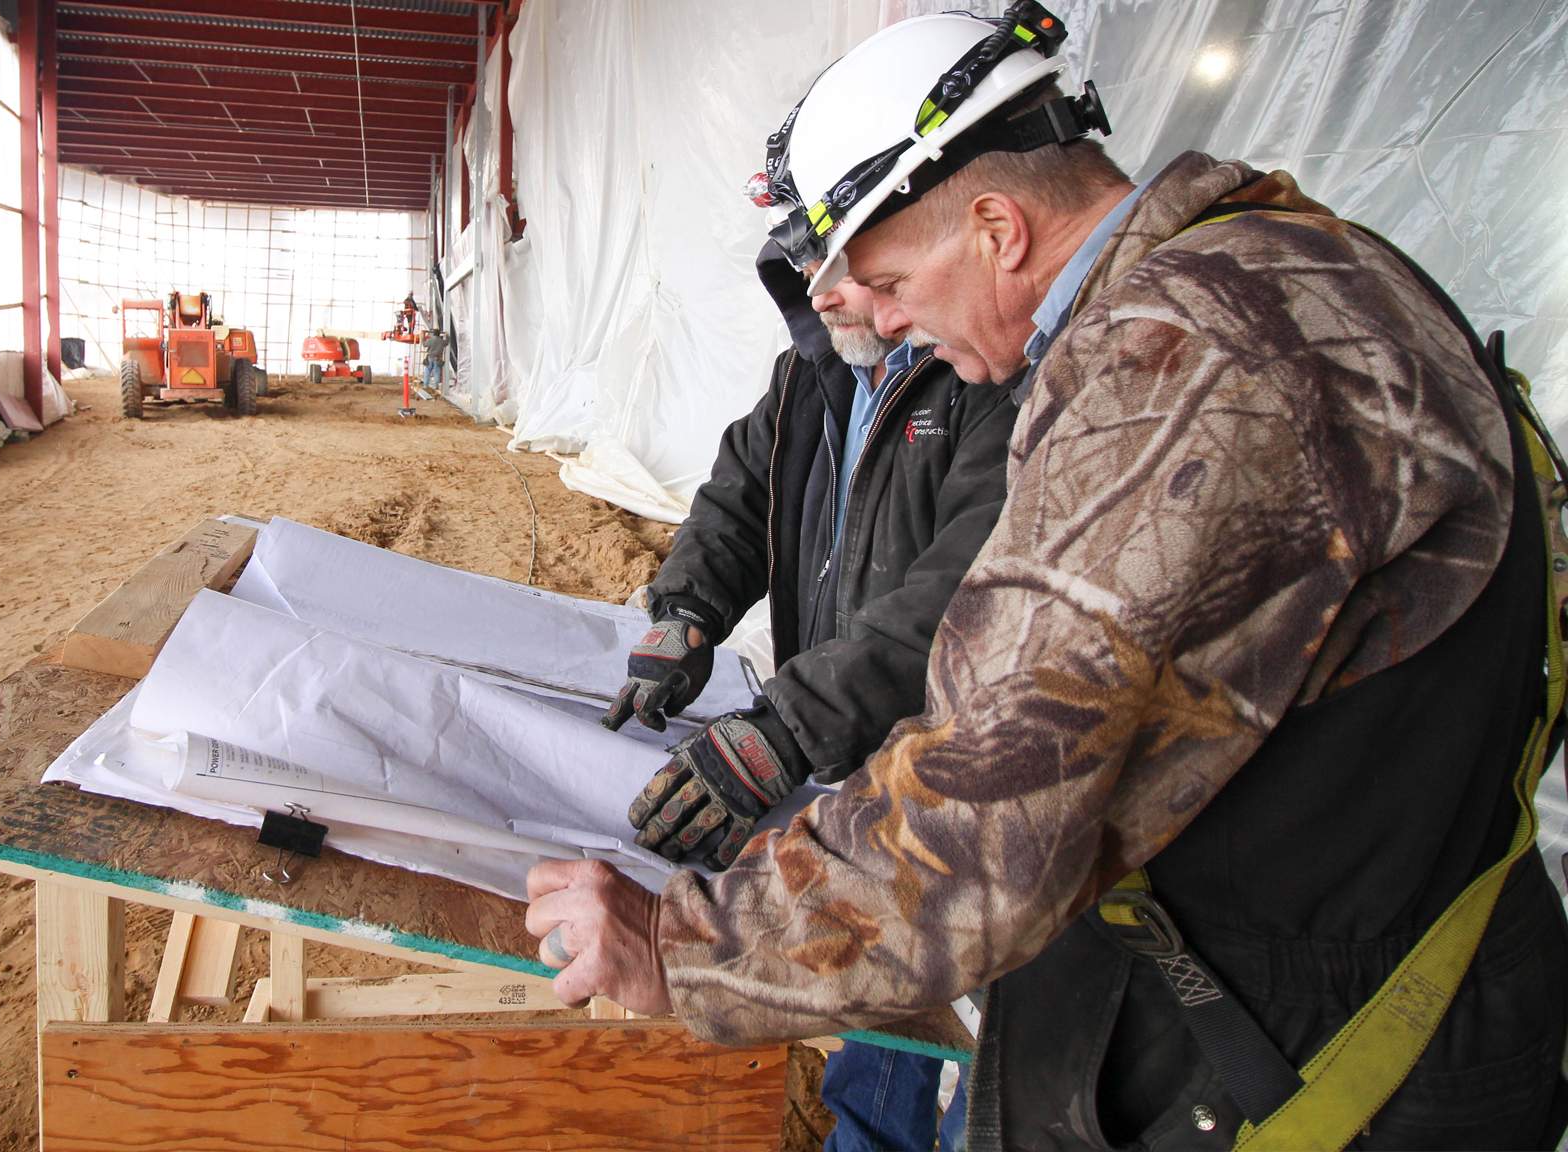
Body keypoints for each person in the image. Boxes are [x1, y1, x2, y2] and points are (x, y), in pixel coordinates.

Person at [527, 4, 1568, 1149]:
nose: (883, 325)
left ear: (994, 225)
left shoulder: (1175, 365)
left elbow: (992, 810)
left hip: (1309, 1053)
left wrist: (686, 947)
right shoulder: (1297, 265)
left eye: (886, 280)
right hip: (1372, 986)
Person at [599, 183, 1016, 1148]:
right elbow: (738, 496)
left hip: (954, 760)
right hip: (852, 754)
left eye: (837, 274)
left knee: (988, 1005)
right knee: (880, 968)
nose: (818, 298)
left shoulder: (989, 381)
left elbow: (961, 594)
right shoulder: (814, 372)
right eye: (803, 278)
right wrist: (686, 613)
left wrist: (785, 727)